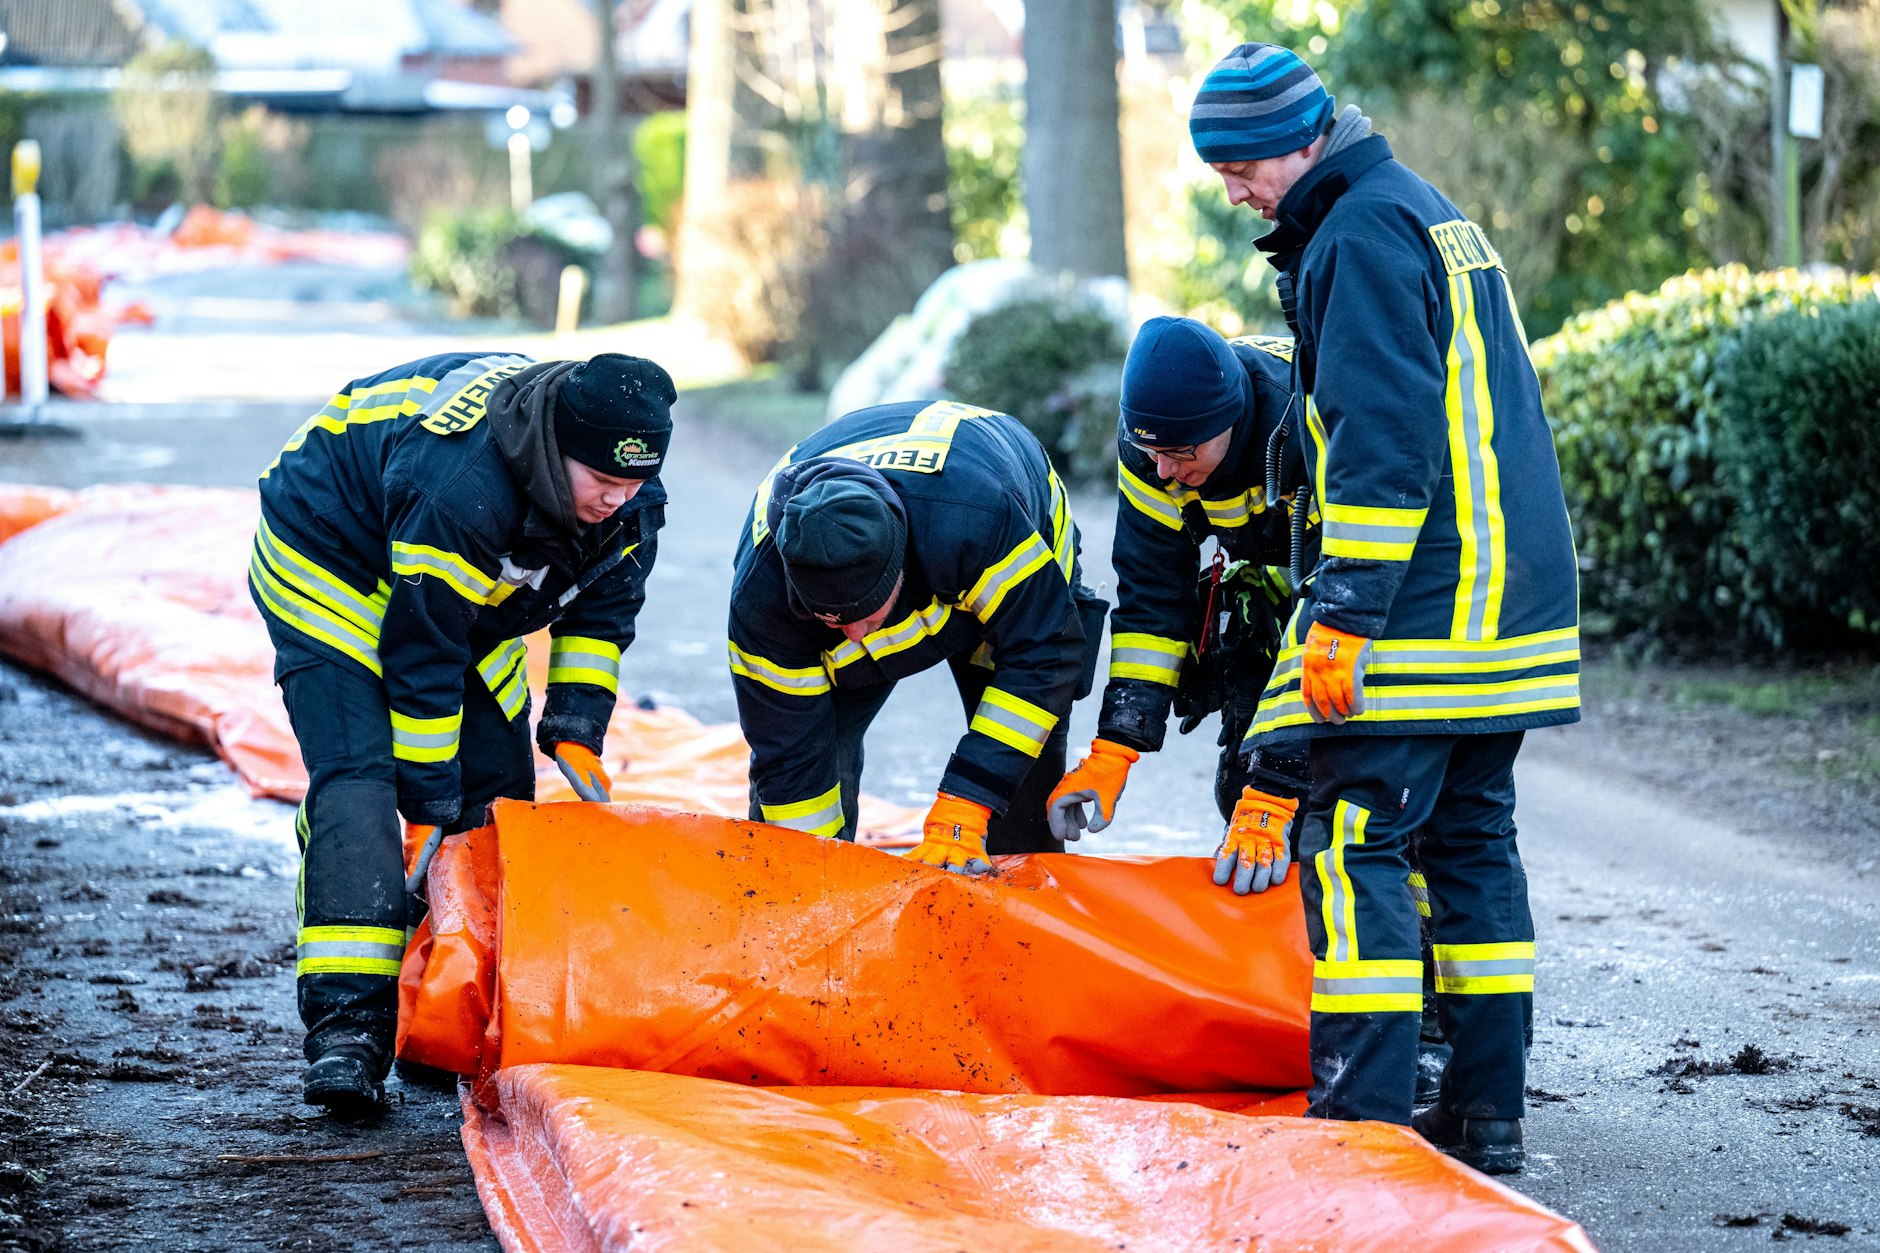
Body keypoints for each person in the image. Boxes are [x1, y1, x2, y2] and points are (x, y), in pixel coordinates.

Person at [1190, 43, 1582, 1173]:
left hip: (1420, 605)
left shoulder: (1357, 236)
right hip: (1507, 608)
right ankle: (1486, 1112)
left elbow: (1378, 443)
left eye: (1239, 164)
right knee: (1470, 842)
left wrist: (1346, 615)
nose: (1231, 190)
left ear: (1299, 137)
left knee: (1353, 836)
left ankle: (1361, 1120)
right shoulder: (1424, 210)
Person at [250, 350, 675, 1116]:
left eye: (633, 482)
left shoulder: (630, 498)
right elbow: (421, 654)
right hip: (330, 557)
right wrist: (425, 804)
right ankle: (349, 1032)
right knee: (363, 785)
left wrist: (575, 724)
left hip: (458, 594)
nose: (618, 498)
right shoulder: (461, 483)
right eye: (602, 481)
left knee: (499, 798)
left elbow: (601, 614)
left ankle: (449, 1016)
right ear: (556, 448)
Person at [728, 400, 1106, 870]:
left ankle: (1023, 918)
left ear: (898, 575)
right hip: (925, 553)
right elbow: (788, 753)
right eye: (831, 620)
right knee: (808, 788)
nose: (854, 636)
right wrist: (809, 875)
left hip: (994, 527)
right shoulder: (761, 596)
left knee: (1019, 788)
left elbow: (1044, 655)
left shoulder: (975, 522)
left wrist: (966, 804)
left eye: (866, 615)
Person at [1045, 316, 1315, 897]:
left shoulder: (1312, 420)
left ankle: (1407, 950)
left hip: (1368, 615)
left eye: (1177, 452)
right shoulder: (1155, 452)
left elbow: (1340, 608)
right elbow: (1152, 599)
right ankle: (1283, 968)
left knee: (1343, 802)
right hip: (1272, 603)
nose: (1164, 470)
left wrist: (1278, 784)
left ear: (1230, 421)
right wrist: (1115, 748)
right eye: (1151, 452)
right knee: (1238, 788)